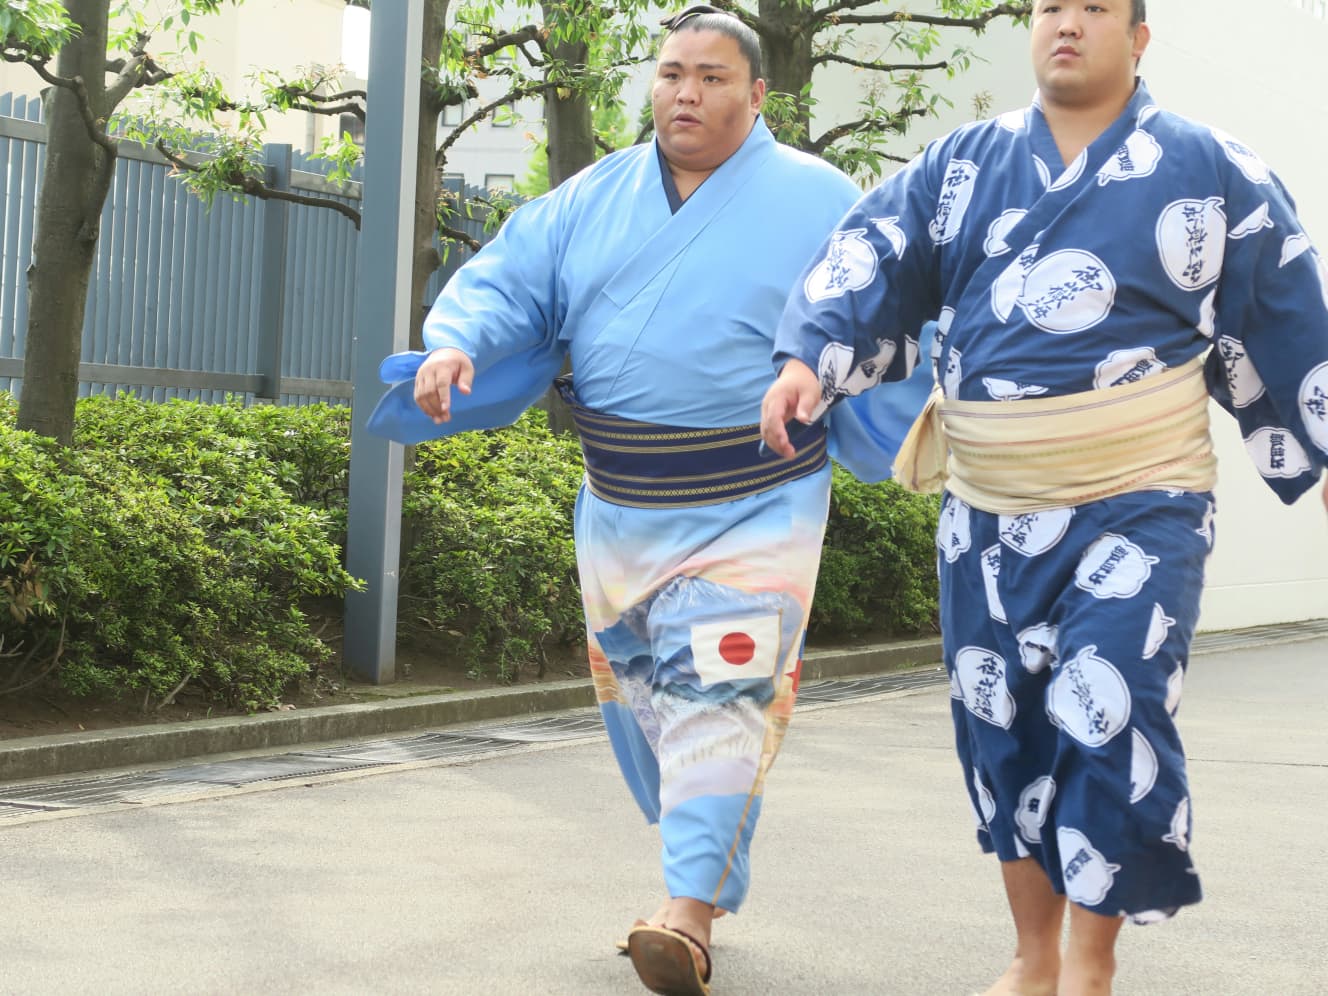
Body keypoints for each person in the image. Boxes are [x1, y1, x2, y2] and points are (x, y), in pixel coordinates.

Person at [760, 1, 1328, 994]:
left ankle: (1086, 966)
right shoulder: (959, 166)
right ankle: (1028, 956)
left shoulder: (1212, 170)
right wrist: (808, 362)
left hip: (1139, 497)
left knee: (1107, 704)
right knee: (1004, 728)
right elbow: (867, 263)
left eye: (1093, 7)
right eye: (1047, 6)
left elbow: (1284, 322)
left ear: (1138, 36)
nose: (1065, 22)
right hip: (984, 503)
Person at [366, 7, 885, 994]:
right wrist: (454, 343)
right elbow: (508, 283)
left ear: (756, 94)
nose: (685, 93)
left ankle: (683, 917)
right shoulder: (589, 199)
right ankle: (697, 878)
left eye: (711, 77)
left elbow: (878, 309)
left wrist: (845, 371)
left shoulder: (820, 198)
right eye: (670, 73)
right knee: (645, 703)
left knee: (719, 688)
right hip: (619, 504)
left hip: (756, 501)